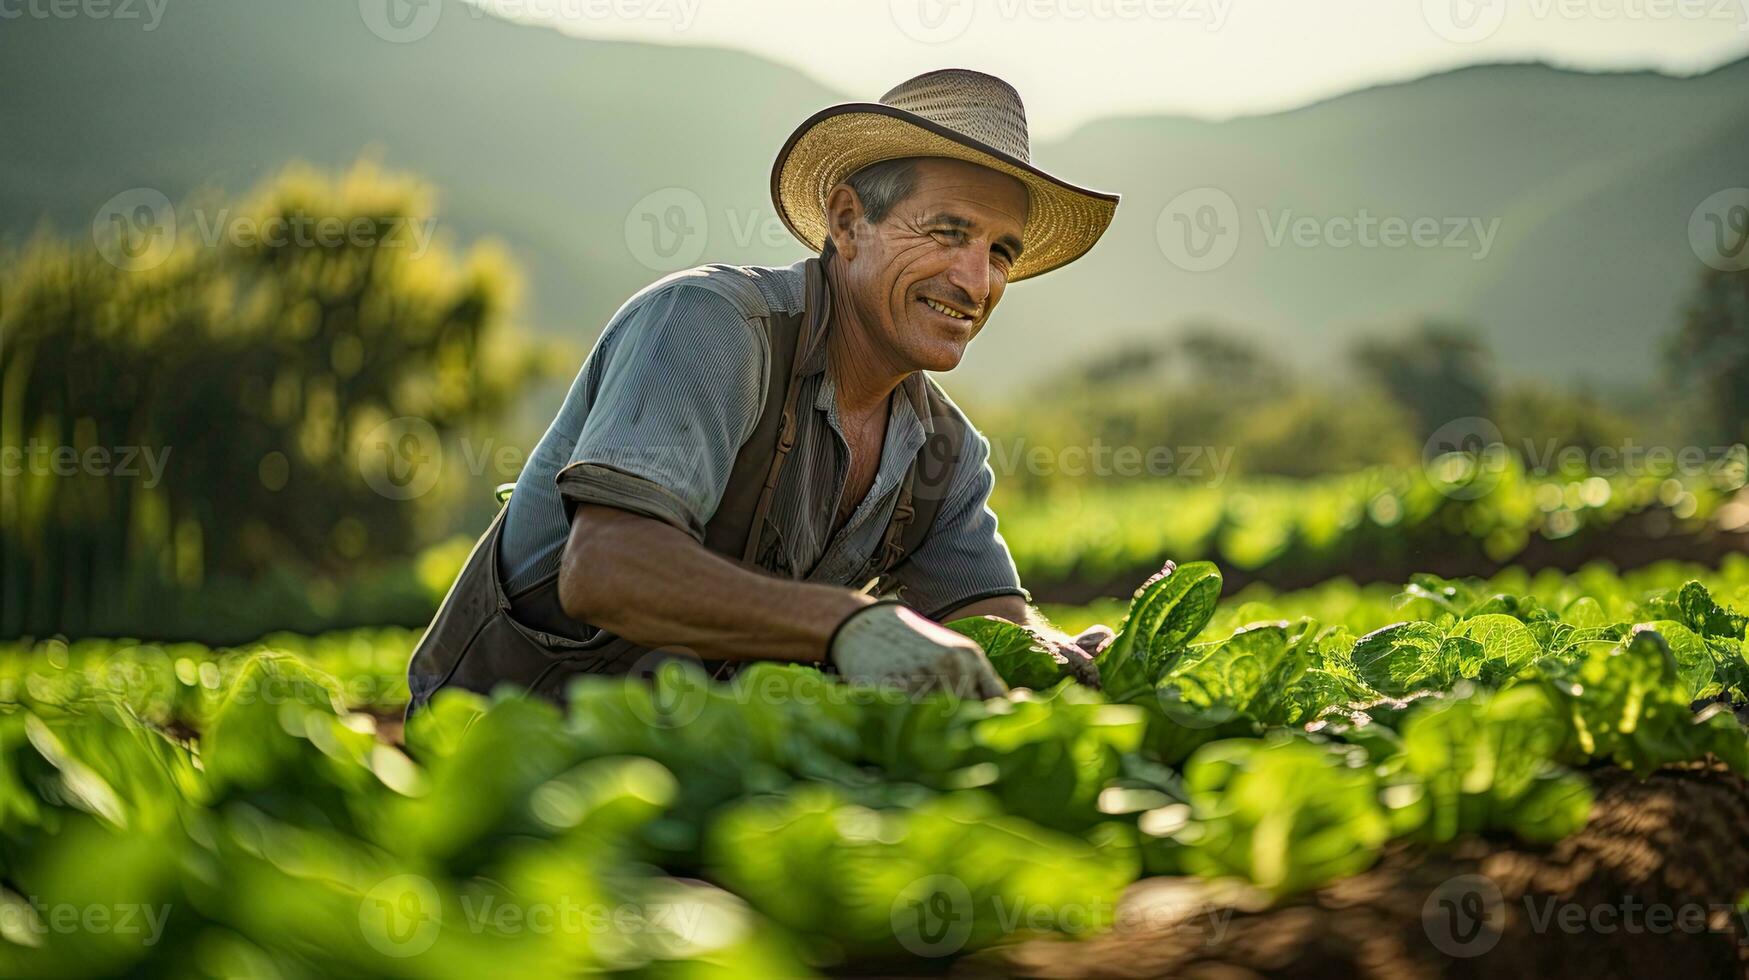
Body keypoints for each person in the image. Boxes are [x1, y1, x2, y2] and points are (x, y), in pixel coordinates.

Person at [405, 68, 1120, 715]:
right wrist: (845, 622)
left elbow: (989, 624)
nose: (975, 280)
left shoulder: (944, 449)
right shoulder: (710, 327)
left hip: (705, 765)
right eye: (946, 231)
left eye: (1000, 251)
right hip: (507, 758)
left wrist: (1058, 655)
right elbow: (605, 570)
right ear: (847, 223)